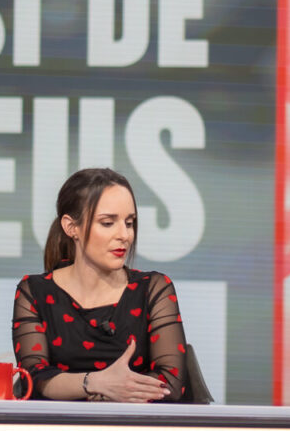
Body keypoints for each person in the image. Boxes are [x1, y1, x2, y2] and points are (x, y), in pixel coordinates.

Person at [12, 168, 187, 402]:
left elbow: (171, 383)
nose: (124, 235)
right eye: (108, 223)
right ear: (71, 227)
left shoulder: (153, 289)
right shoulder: (34, 291)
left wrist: (106, 396)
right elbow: (33, 378)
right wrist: (96, 383)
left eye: (129, 222)